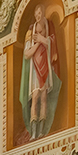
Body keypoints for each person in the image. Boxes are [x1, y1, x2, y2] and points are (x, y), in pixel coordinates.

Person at [19, 12, 61, 142]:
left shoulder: (48, 31)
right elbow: (27, 54)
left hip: (45, 68)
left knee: (43, 97)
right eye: (36, 13)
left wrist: (43, 39)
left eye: (40, 13)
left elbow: (52, 45)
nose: (37, 15)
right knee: (35, 96)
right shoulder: (30, 33)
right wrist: (37, 43)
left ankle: (43, 131)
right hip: (34, 70)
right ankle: (33, 133)